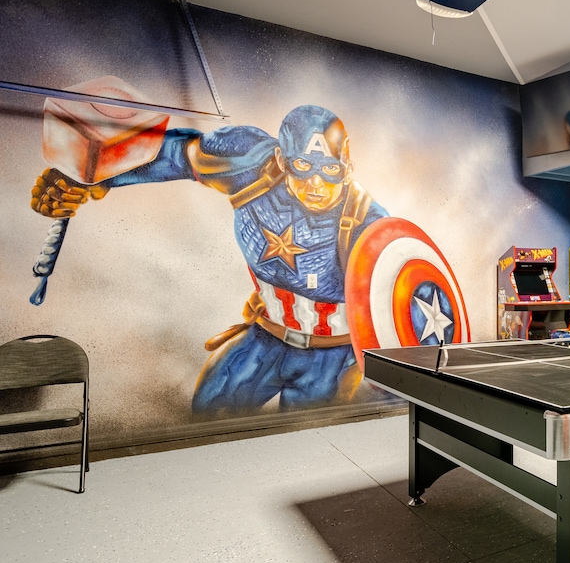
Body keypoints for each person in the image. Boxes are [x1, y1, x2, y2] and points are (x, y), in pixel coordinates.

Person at [31, 105, 388, 413]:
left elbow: (403, 309)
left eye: (330, 170)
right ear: (282, 159)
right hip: (266, 335)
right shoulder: (250, 163)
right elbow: (172, 154)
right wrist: (91, 179)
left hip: (332, 356)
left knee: (306, 435)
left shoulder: (368, 224)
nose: (316, 183)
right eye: (303, 166)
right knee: (209, 409)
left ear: (347, 166)